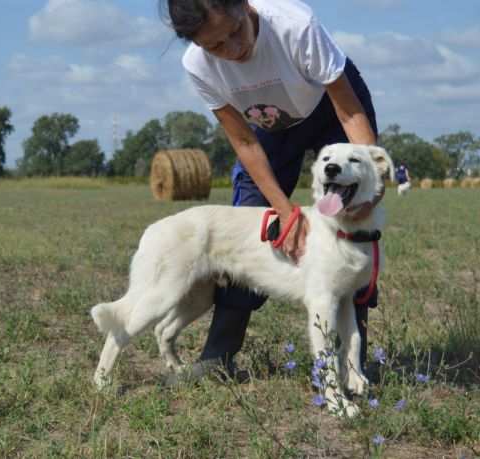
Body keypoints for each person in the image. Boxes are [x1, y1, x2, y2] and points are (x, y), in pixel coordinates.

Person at [162, 0, 381, 383]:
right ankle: (218, 356)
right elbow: (245, 143)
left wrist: (368, 181)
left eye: (235, 31)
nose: (233, 50)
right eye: (216, 46)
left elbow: (349, 113)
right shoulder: (197, 66)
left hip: (332, 109)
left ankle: (351, 366)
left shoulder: (294, 25)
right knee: (249, 223)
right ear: (195, 44)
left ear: (244, 6)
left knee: (351, 227)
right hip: (272, 125)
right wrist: (283, 209)